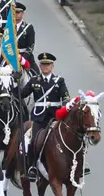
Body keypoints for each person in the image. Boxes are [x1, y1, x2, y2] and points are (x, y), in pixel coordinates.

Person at [22, 53, 71, 181]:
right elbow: (22, 94)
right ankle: (32, 167)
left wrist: (65, 105)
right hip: (39, 117)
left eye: (48, 64)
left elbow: (65, 96)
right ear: (40, 66)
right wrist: (16, 81)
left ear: (52, 66)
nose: (45, 67)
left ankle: (74, 166)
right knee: (33, 141)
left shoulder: (59, 81)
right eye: (43, 64)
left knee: (68, 139)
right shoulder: (34, 80)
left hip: (55, 117)